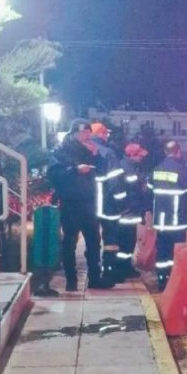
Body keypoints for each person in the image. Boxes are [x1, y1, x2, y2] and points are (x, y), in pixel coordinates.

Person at [46, 119, 113, 291]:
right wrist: (75, 170)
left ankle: (95, 278)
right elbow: (54, 174)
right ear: (74, 133)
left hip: (89, 201)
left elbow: (102, 172)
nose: (86, 136)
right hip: (70, 202)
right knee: (69, 242)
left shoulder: (90, 149)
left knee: (94, 241)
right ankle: (71, 280)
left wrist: (96, 156)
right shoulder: (60, 151)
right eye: (83, 133)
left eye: (88, 133)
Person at [148, 141, 187, 292]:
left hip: (160, 221)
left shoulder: (156, 169)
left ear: (165, 152)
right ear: (178, 152)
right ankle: (175, 279)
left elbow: (149, 191)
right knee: (177, 252)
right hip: (177, 221)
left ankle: (162, 279)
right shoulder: (183, 171)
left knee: (162, 251)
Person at [89, 121, 124, 284]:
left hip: (88, 205)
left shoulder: (82, 151)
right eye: (106, 134)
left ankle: (93, 274)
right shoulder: (109, 153)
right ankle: (109, 272)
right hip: (108, 204)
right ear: (102, 134)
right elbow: (115, 181)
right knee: (110, 239)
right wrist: (120, 201)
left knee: (91, 239)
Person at [116, 142, 151, 280]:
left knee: (129, 241)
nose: (141, 158)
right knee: (125, 242)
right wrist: (127, 208)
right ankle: (121, 269)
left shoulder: (131, 167)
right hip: (126, 212)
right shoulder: (125, 168)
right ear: (131, 155)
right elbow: (127, 192)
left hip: (130, 211)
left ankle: (126, 267)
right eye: (139, 156)